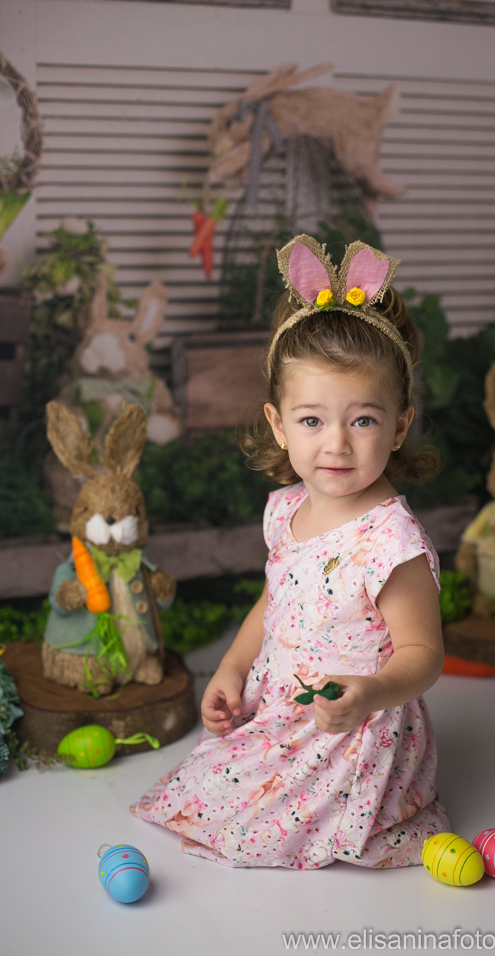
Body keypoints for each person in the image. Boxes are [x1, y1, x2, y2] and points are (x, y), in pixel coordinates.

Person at [130, 234, 450, 868]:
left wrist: (369, 693)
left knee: (272, 824)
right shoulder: (286, 508)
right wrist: (231, 667)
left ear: (399, 425)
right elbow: (275, 601)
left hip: (351, 724)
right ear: (278, 424)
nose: (336, 443)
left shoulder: (391, 541)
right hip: (284, 704)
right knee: (209, 790)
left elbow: (424, 655)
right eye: (312, 421)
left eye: (363, 420)